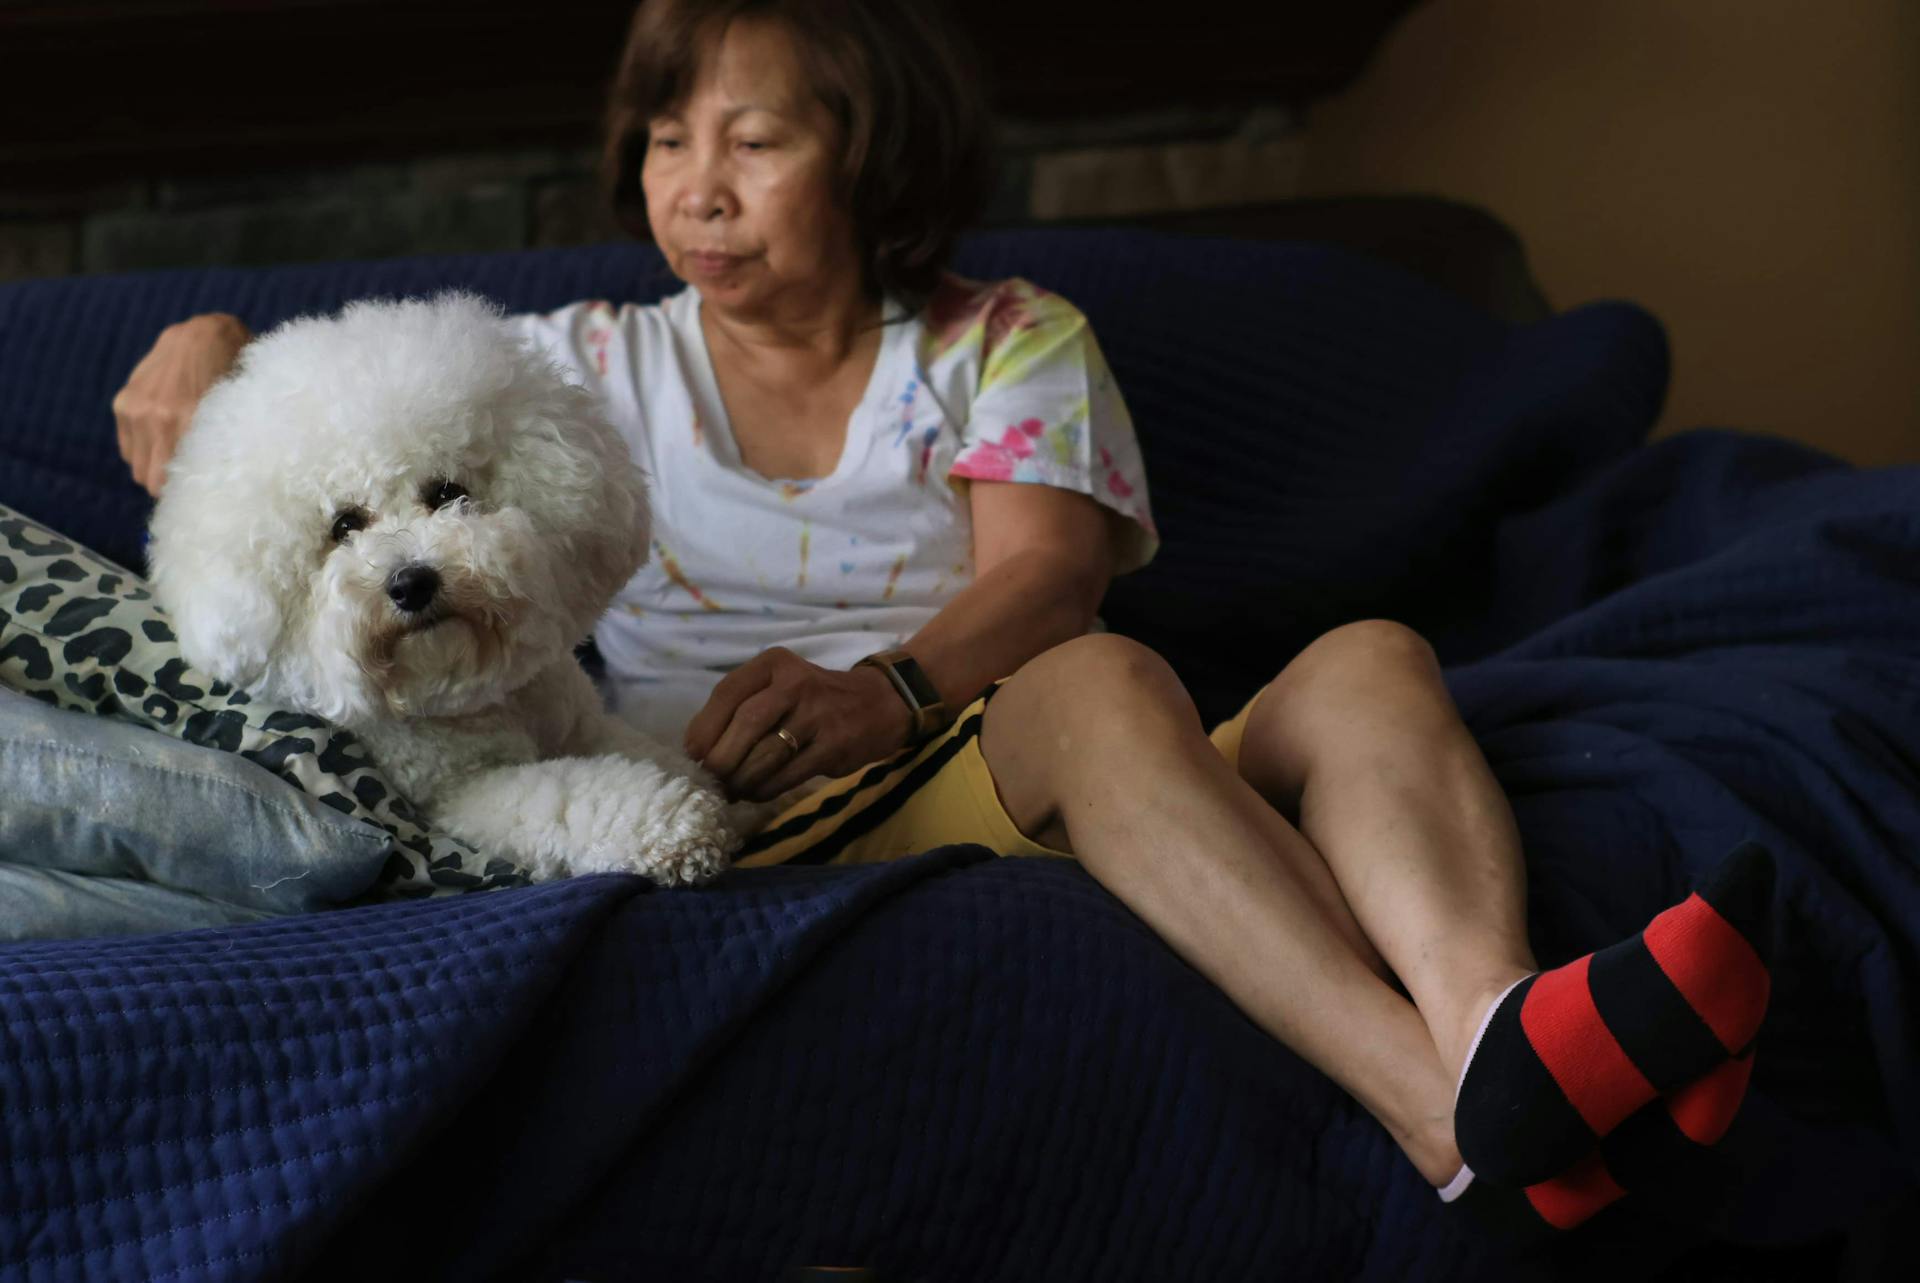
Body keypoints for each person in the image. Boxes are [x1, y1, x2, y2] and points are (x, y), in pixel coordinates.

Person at [112, 0, 1774, 1239]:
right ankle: (1446, 1124)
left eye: (753, 142)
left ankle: (1503, 1029)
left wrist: (890, 686)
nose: (696, 187)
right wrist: (207, 331)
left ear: (873, 151)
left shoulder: (1006, 339)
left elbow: (1046, 576)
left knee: (1374, 660)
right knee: (1110, 685)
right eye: (669, 141)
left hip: (1001, 733)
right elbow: (381, 413)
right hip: (796, 802)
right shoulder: (595, 360)